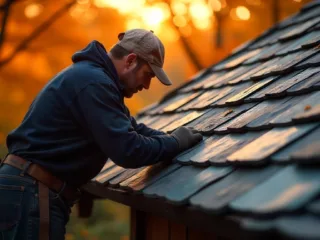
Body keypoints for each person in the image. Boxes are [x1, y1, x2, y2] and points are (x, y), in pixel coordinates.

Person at [0, 29, 203, 239]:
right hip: (31, 193)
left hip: (28, 191)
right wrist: (175, 143)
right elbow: (129, 149)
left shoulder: (95, 79)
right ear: (131, 61)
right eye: (148, 75)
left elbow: (133, 129)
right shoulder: (94, 83)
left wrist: (174, 137)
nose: (146, 85)